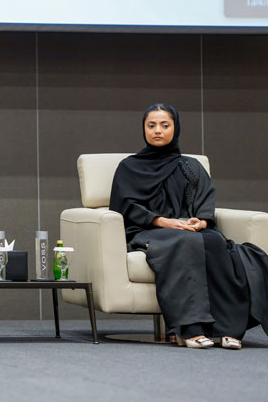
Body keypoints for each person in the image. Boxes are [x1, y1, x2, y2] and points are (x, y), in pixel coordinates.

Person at [109, 103, 268, 349]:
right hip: (149, 230)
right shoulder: (129, 167)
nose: (157, 130)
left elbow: (205, 198)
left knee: (214, 241)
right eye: (151, 125)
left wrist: (200, 220)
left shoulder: (190, 166)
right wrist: (162, 221)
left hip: (189, 228)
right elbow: (125, 205)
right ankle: (190, 329)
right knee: (186, 242)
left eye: (165, 125)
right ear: (144, 129)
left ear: (176, 128)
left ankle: (228, 329)